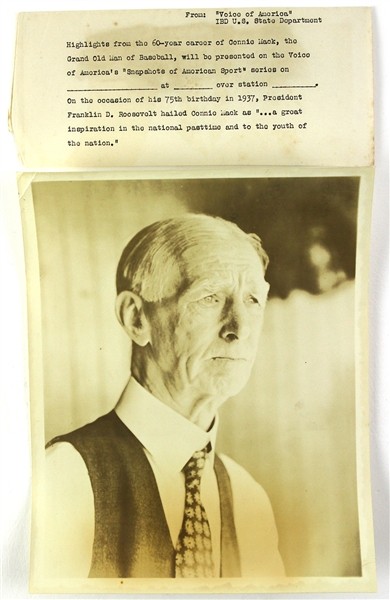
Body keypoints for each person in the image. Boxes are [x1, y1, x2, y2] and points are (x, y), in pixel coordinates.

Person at [44, 213, 285, 579]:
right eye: (210, 296)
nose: (240, 328)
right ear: (136, 318)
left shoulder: (248, 497)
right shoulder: (63, 479)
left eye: (253, 300)